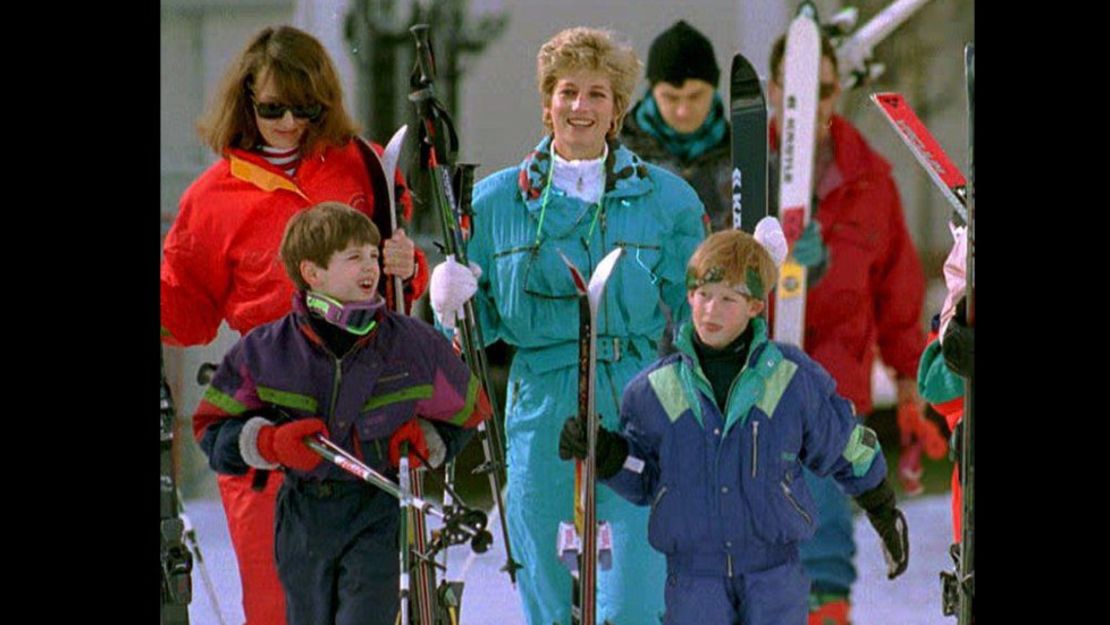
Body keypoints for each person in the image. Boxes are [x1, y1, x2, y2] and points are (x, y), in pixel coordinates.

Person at [427, 26, 709, 625]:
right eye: (568, 92)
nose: (581, 107)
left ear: (617, 111)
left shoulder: (667, 200)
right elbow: (478, 334)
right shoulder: (496, 203)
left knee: (635, 591)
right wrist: (450, 304)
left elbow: (702, 313)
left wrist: (751, 269)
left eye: (598, 95)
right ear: (547, 102)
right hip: (540, 399)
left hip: (637, 396)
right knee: (546, 586)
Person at [160, 25, 428, 624]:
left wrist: (412, 269)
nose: (286, 122)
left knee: (363, 600)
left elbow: (400, 284)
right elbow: (187, 316)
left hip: (363, 412)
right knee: (279, 600)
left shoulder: (362, 165)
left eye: (303, 107)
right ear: (245, 101)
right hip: (269, 412)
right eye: (271, 107)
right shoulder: (212, 197)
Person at [558, 223, 909, 625]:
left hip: (774, 574)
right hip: (694, 579)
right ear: (689, 296)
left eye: (728, 299)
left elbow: (843, 444)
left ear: (755, 305)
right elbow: (645, 476)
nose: (711, 310)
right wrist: (607, 454)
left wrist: (882, 506)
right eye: (703, 295)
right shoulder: (655, 390)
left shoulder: (789, 380)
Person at [193, 202, 489, 625]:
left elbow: (472, 410)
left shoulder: (412, 345)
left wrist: (429, 439)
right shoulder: (267, 351)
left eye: (372, 255)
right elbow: (211, 427)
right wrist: (267, 442)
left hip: (377, 511)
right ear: (312, 273)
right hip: (302, 515)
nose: (369, 267)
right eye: (353, 258)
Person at [766, 33, 926, 625]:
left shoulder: (869, 179)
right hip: (755, 376)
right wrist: (777, 271)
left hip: (834, 383)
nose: (812, 105)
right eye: (797, 91)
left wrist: (909, 379)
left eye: (824, 90)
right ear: (774, 90)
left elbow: (898, 287)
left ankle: (827, 614)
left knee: (825, 524)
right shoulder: (747, 165)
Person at [621, 19, 731, 231]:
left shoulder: (744, 155)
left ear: (714, 89)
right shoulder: (616, 154)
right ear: (652, 92)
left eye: (695, 96)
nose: (683, 111)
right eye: (671, 98)